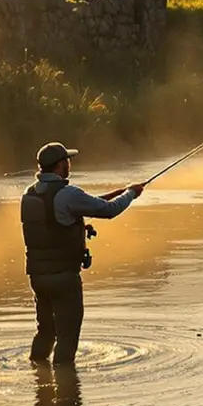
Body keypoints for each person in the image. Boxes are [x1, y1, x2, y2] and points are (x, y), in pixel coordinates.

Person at [22, 142, 143, 366]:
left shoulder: (29, 195)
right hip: (64, 277)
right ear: (60, 166)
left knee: (46, 332)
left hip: (38, 277)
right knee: (67, 336)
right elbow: (108, 211)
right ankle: (65, 387)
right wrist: (130, 194)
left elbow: (59, 219)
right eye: (68, 160)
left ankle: (38, 377)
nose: (70, 163)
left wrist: (116, 193)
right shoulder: (68, 194)